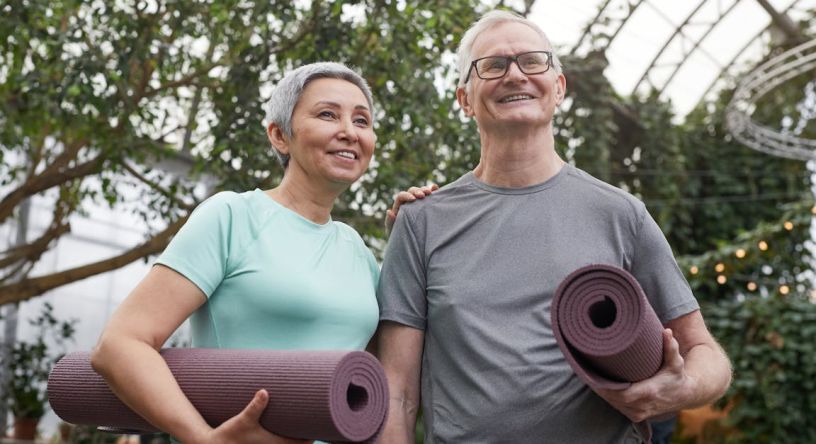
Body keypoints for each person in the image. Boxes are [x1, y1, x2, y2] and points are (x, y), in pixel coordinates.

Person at [375, 10, 733, 444]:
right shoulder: (421, 221)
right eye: (492, 65)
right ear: (464, 99)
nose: (515, 75)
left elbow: (705, 353)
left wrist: (680, 388)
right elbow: (397, 393)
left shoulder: (621, 213)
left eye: (532, 61)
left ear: (558, 87)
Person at [91, 62, 434, 444]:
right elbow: (119, 344)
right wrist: (204, 438)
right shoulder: (232, 217)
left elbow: (375, 380)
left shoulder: (358, 251)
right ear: (279, 136)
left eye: (362, 121)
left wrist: (410, 238)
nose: (349, 132)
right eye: (327, 115)